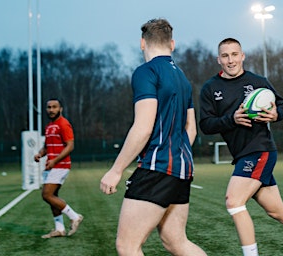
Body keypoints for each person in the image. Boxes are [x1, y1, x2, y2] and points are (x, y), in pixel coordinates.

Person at [199, 38, 283, 256]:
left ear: (242, 56)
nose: (230, 60)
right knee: (276, 210)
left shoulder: (258, 81)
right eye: (225, 56)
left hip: (260, 149)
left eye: (235, 54)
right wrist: (231, 119)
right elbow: (205, 125)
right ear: (218, 60)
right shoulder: (210, 88)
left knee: (233, 201)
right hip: (241, 153)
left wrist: (275, 114)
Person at [99, 18, 206, 256]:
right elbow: (192, 129)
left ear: (142, 43)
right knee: (175, 242)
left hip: (157, 169)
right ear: (172, 44)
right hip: (182, 169)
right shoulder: (182, 78)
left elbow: (143, 127)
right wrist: (175, 155)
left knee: (127, 246)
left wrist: (116, 170)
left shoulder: (146, 72)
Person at [34, 98, 83, 238]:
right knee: (52, 197)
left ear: (60, 109)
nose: (51, 110)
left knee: (46, 195)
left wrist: (54, 160)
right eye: (49, 107)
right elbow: (47, 147)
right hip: (51, 165)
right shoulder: (49, 126)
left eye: (54, 107)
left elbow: (70, 145)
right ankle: (60, 229)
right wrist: (40, 154)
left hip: (60, 165)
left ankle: (74, 217)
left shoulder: (64, 124)